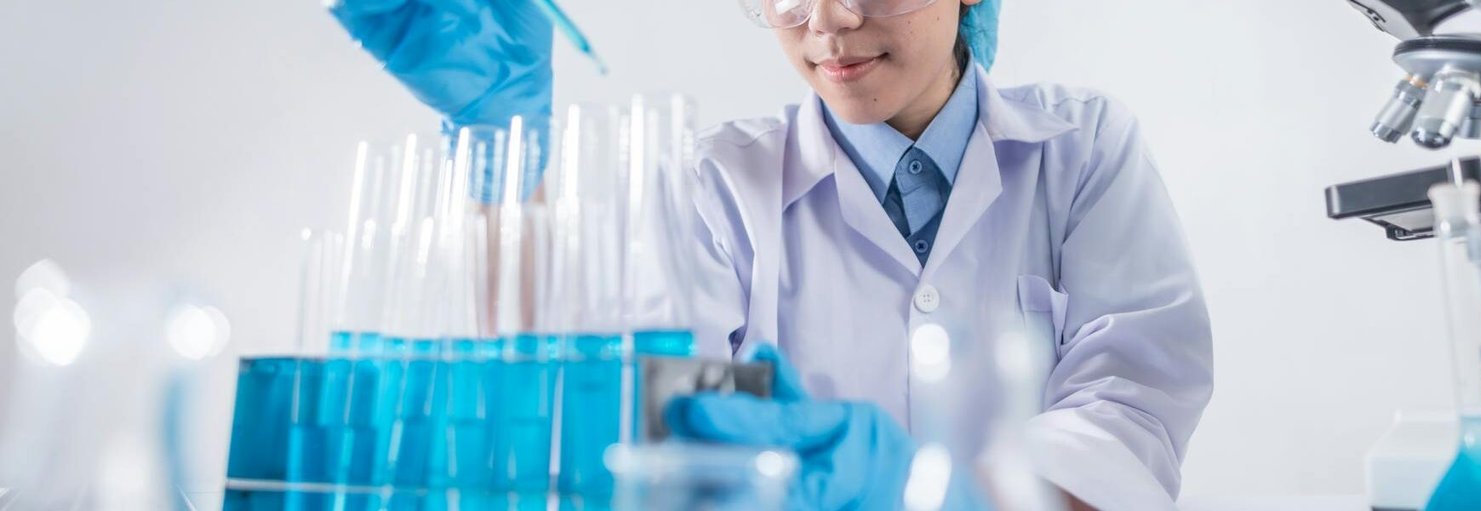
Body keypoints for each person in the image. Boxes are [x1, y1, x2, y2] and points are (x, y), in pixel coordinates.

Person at [329, 1, 1212, 509]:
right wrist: (503, 152)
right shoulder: (717, 183)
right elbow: (608, 404)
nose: (828, 22)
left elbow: (1130, 414)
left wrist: (935, 491)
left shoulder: (1082, 147)